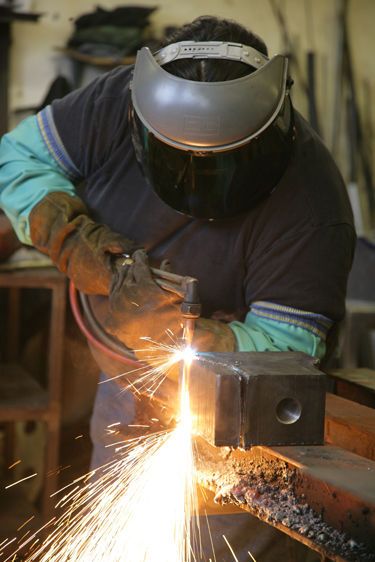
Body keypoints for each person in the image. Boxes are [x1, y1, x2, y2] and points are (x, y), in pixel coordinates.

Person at [0, 15, 355, 561]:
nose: (196, 183)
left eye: (220, 164)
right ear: (141, 118)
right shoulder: (114, 100)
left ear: (271, 128)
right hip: (123, 381)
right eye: (177, 158)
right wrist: (72, 237)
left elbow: (289, 349)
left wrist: (194, 336)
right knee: (115, 524)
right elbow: (17, 158)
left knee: (220, 541)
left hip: (239, 422)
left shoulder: (313, 208)